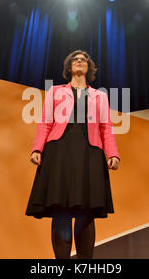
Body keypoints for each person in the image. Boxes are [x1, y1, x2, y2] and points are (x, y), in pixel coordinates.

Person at [25, 49, 120, 259]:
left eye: (83, 59)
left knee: (86, 211)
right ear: (69, 67)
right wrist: (37, 148)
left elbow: (106, 127)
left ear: (89, 67)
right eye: (75, 60)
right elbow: (46, 122)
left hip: (90, 153)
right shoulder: (55, 92)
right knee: (61, 210)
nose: (79, 61)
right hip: (59, 153)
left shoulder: (100, 96)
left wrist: (112, 153)